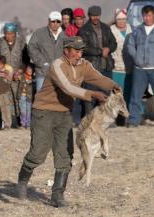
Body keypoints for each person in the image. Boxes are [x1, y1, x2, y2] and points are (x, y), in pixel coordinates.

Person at [16, 36, 121, 207]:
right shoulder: (57, 65)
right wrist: (92, 94)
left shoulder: (84, 65)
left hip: (64, 114)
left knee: (65, 154)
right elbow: (68, 88)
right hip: (43, 113)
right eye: (76, 50)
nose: (79, 54)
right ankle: (22, 181)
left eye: (81, 51)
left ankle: (57, 195)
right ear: (66, 50)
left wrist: (113, 85)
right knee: (38, 153)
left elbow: (98, 78)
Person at [78, 5, 117, 114]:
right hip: (91, 68)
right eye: (93, 16)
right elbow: (82, 48)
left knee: (107, 95)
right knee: (90, 96)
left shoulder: (106, 28)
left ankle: (105, 120)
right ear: (89, 16)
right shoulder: (83, 30)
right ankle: (89, 120)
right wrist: (100, 51)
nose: (95, 18)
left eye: (97, 15)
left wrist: (108, 49)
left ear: (100, 15)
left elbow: (114, 43)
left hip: (106, 67)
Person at [0, 23, 29, 128]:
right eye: (7, 33)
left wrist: (20, 70)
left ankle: (20, 121)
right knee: (4, 98)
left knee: (17, 98)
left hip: (17, 75)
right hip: (3, 75)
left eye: (11, 34)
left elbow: (26, 60)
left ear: (15, 33)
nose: (9, 36)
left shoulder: (22, 43)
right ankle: (4, 121)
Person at [28, 11, 67, 92]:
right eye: (53, 21)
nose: (55, 23)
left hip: (59, 75)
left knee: (57, 100)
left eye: (58, 21)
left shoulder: (65, 36)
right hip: (43, 73)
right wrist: (42, 63)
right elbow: (31, 47)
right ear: (49, 21)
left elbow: (68, 53)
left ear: (61, 22)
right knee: (41, 100)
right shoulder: (39, 33)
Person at [110, 9, 133, 120]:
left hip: (129, 68)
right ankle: (118, 118)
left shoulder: (131, 29)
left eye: (123, 19)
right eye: (119, 19)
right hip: (116, 68)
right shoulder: (111, 30)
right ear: (115, 20)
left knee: (128, 93)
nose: (121, 21)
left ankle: (128, 116)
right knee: (117, 95)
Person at [17, 64, 33, 129]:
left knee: (28, 110)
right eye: (28, 69)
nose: (30, 70)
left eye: (31, 69)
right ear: (26, 69)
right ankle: (23, 124)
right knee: (23, 110)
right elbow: (16, 76)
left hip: (29, 96)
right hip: (22, 96)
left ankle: (28, 124)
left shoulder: (34, 78)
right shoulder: (22, 76)